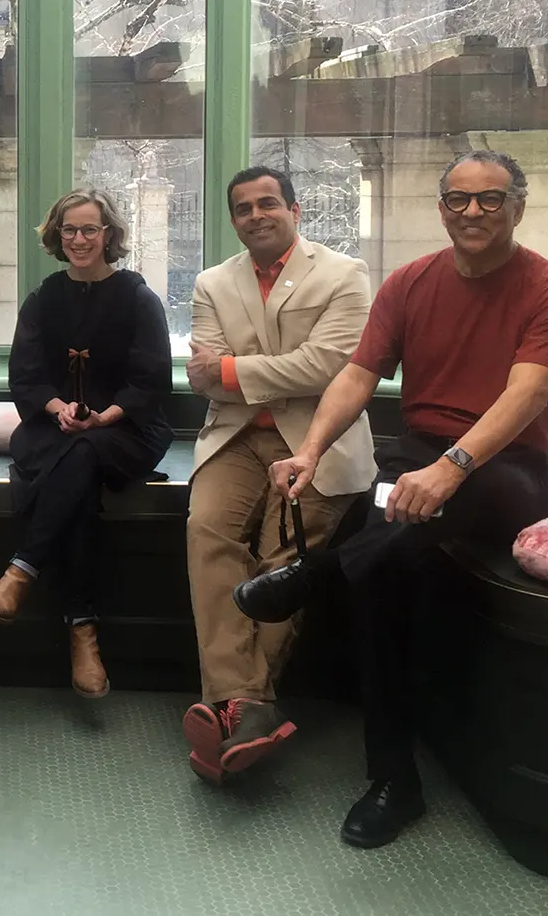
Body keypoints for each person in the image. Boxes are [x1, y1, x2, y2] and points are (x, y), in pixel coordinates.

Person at [233, 150, 548, 849]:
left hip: (511, 465)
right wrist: (308, 450)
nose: (473, 212)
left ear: (519, 203)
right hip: (420, 454)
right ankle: (395, 781)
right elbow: (357, 376)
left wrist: (454, 466)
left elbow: (525, 396)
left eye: (490, 199)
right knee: (383, 577)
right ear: (442, 208)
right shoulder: (409, 282)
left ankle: (313, 576)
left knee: (420, 518)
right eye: (458, 200)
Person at [182, 166, 373, 784]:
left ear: (294, 209)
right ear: (234, 220)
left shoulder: (344, 274)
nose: (257, 215)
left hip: (320, 439)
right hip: (236, 436)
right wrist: (248, 372)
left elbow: (329, 367)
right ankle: (251, 705)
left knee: (281, 560)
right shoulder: (213, 283)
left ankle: (234, 708)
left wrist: (233, 369)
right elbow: (202, 374)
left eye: (269, 203)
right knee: (207, 531)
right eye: (243, 208)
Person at [0, 189, 171, 699]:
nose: (79, 239)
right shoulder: (44, 298)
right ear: (57, 236)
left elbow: (152, 378)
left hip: (127, 429)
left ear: (109, 235)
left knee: (83, 454)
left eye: (90, 229)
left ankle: (21, 574)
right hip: (52, 427)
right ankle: (83, 631)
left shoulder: (138, 298)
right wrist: (59, 409)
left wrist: (106, 415)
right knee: (77, 472)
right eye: (69, 230)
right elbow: (25, 376)